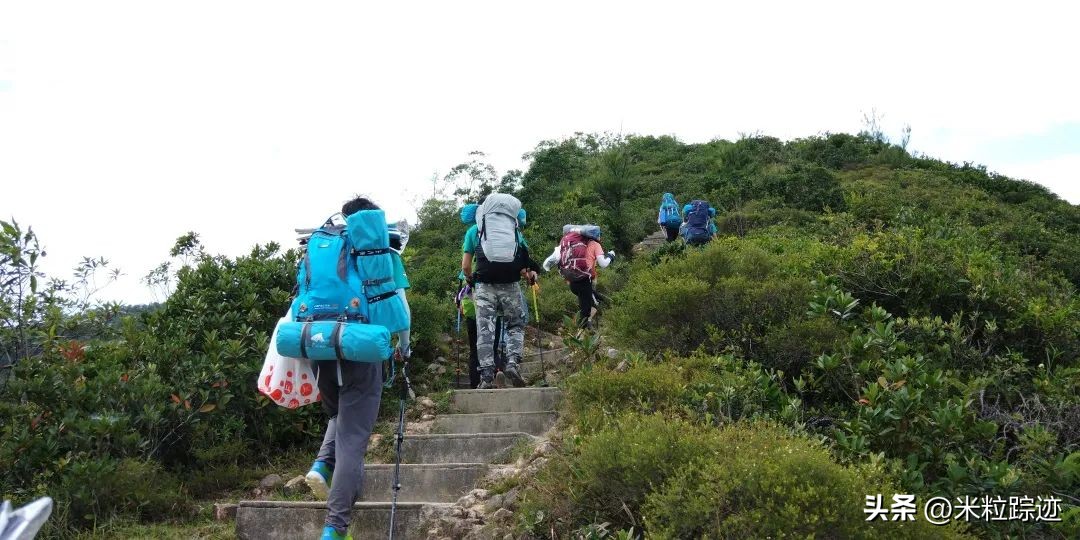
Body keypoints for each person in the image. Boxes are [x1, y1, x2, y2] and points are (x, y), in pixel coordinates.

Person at [302, 196, 412, 540]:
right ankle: (335, 528)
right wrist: (404, 348)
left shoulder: (318, 246)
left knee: (339, 417)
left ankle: (321, 464)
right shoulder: (380, 252)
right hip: (362, 347)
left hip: (318, 342)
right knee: (352, 439)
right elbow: (401, 309)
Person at [462, 194, 541, 389]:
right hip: (510, 284)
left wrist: (472, 280)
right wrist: (531, 276)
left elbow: (465, 266)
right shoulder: (512, 229)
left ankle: (487, 376)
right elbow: (523, 264)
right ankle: (513, 362)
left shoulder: (474, 230)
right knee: (515, 324)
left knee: (485, 329)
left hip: (484, 286)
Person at [543, 224, 614, 329]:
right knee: (590, 306)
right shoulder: (594, 244)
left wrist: (547, 269)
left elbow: (552, 260)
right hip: (585, 280)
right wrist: (611, 256)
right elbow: (603, 264)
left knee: (586, 305)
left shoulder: (571, 243)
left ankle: (585, 328)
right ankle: (582, 333)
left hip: (573, 280)